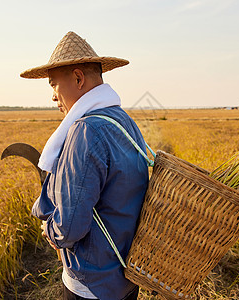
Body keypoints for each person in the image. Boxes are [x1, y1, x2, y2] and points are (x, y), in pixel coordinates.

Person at [21, 31, 149, 300]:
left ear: (78, 78)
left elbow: (70, 226)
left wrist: (50, 230)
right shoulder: (123, 120)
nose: (53, 97)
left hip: (93, 283)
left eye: (53, 85)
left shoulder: (85, 131)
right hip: (125, 275)